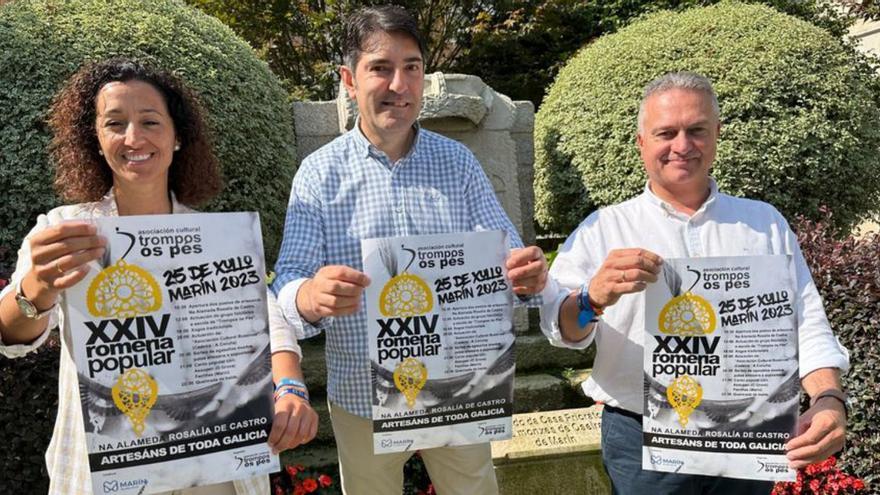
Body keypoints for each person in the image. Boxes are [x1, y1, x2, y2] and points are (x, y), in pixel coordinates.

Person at [0, 58, 318, 495]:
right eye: (115, 123)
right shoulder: (65, 230)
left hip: (215, 467)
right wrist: (36, 288)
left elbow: (267, 326)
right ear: (95, 137)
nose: (134, 138)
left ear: (178, 135)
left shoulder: (214, 237)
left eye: (150, 121)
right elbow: (13, 335)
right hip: (113, 471)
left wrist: (290, 388)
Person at [271, 5, 548, 494]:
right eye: (380, 68)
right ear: (349, 80)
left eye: (412, 67)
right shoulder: (319, 174)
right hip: (363, 391)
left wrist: (523, 273)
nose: (399, 84)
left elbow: (505, 253)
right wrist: (310, 296)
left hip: (458, 385)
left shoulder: (458, 164)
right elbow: (288, 278)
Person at [540, 72, 850, 494]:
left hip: (747, 431)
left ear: (717, 134)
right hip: (644, 441)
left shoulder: (764, 224)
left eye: (697, 130)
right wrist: (592, 298)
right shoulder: (604, 228)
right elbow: (561, 329)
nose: (682, 146)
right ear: (641, 142)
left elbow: (806, 320)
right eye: (666, 132)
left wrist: (829, 399)